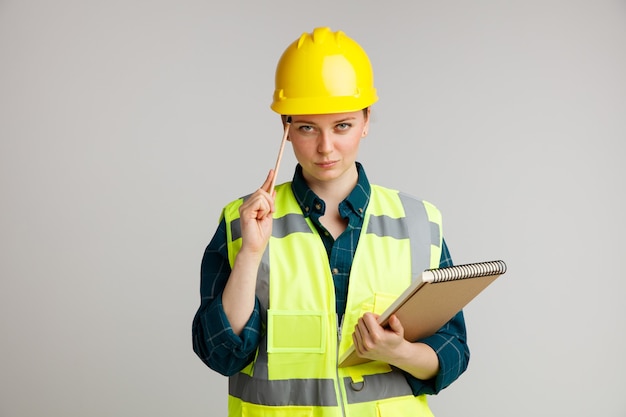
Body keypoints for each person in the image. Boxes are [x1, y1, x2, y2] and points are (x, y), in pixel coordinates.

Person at [192, 26, 469, 417]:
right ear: (285, 128)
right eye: (307, 128)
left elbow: (453, 351)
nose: (326, 147)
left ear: (366, 120)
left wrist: (399, 352)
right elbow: (222, 353)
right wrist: (252, 253)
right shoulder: (241, 224)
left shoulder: (420, 222)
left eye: (342, 126)